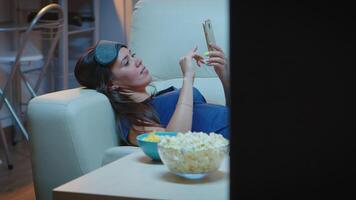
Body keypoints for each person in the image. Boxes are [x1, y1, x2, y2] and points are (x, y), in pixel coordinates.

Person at [74, 40, 230, 145]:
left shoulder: (164, 95)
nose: (138, 61)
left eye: (132, 55)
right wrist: (188, 79)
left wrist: (224, 77)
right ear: (111, 84)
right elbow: (173, 143)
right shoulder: (130, 121)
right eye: (127, 62)